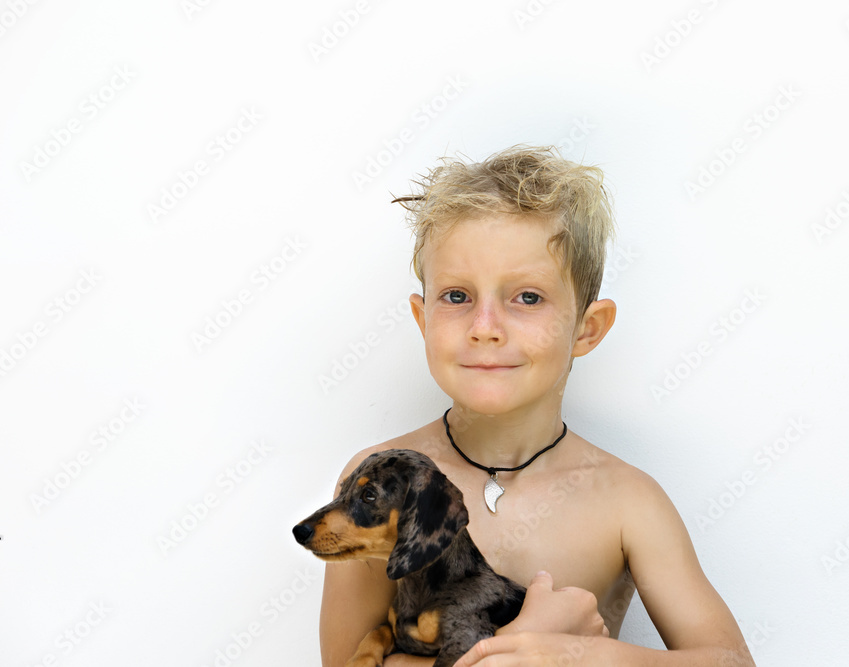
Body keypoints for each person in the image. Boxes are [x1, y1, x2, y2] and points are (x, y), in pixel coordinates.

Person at [320, 146, 754, 666]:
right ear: (422, 319)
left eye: (527, 297)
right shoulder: (373, 481)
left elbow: (730, 661)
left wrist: (582, 658)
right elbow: (344, 661)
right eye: (457, 297)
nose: (485, 328)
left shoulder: (627, 500)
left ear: (586, 329)